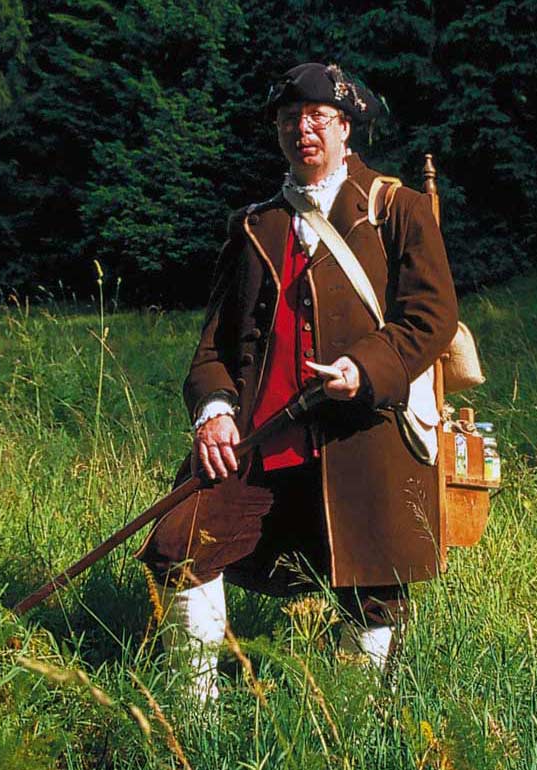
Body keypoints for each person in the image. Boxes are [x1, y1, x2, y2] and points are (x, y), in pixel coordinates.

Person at [136, 62, 458, 699]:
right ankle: (192, 718)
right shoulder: (254, 225)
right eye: (289, 120)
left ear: (345, 129)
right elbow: (214, 347)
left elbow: (431, 319)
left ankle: (352, 725)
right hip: (258, 441)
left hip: (362, 439)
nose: (301, 130)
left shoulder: (398, 209)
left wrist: (367, 367)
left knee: (372, 591)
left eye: (317, 118)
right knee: (179, 545)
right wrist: (217, 413)